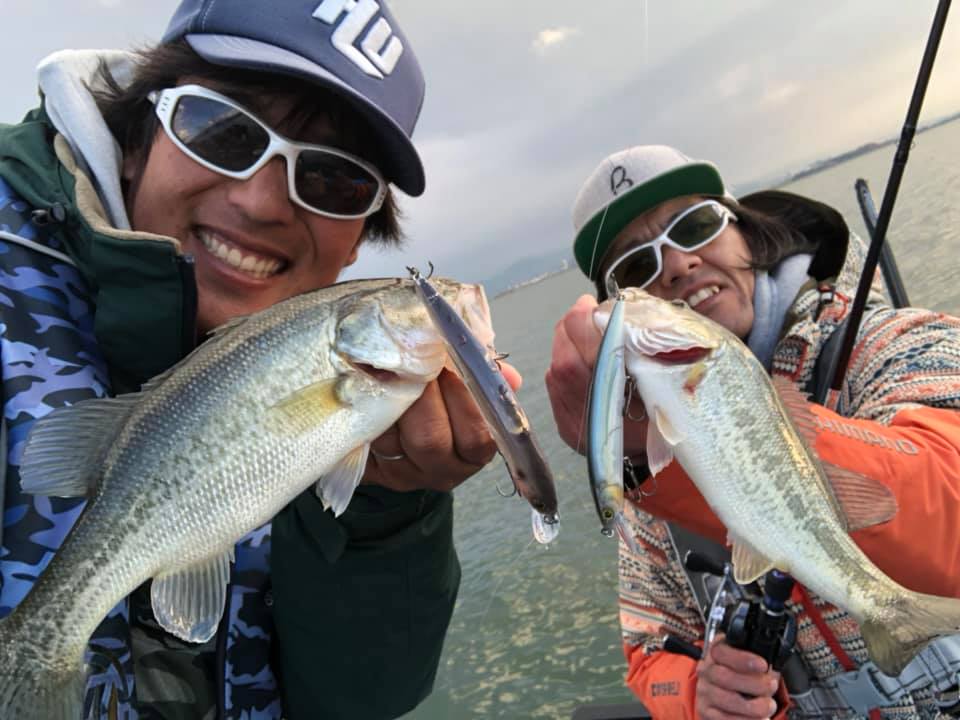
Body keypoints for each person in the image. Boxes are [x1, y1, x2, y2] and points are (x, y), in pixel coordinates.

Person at [0, 1, 522, 718]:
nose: (261, 202)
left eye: (334, 180)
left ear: (358, 241)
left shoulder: (362, 409)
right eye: (222, 130)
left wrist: (386, 510)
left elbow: (351, 704)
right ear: (136, 136)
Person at [545, 144, 960, 719]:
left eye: (694, 225)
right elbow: (647, 644)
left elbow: (949, 498)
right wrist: (697, 695)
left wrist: (703, 439)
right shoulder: (645, 478)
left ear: (747, 231)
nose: (676, 265)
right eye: (636, 270)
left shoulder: (896, 342)